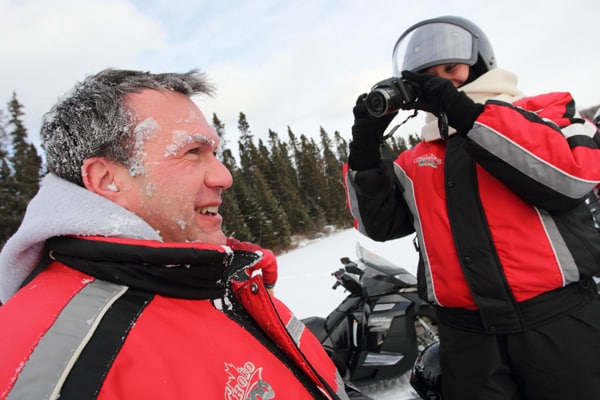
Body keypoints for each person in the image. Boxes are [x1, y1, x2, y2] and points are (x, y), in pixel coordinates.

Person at [0, 69, 369, 400]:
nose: (223, 177)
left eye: (214, 152)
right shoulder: (49, 362)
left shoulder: (215, 277)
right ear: (107, 179)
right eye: (192, 152)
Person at [344, 15, 600, 400]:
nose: (443, 80)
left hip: (556, 321)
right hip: (467, 337)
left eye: (451, 68)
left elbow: (570, 180)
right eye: (429, 74)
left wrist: (464, 113)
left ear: (480, 63)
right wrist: (364, 152)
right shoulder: (417, 160)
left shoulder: (548, 112)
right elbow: (379, 224)